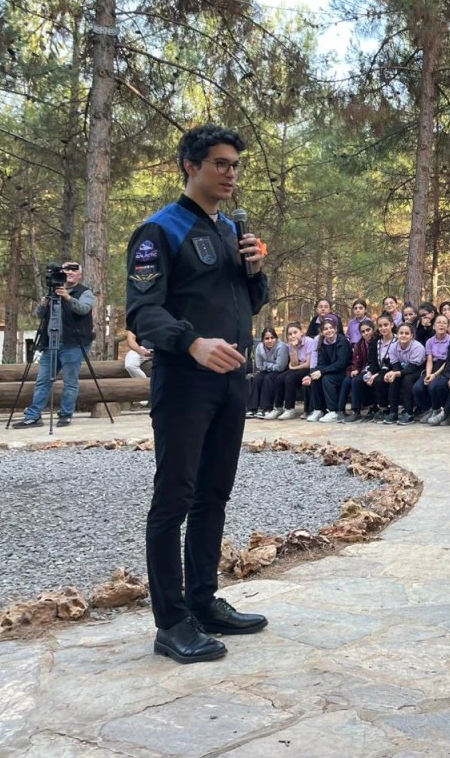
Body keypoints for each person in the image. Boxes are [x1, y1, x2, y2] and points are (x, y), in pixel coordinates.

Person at [124, 124, 270, 664]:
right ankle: (171, 622)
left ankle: (203, 602)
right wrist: (192, 343)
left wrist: (255, 271)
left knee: (214, 494)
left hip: (232, 380)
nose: (230, 173)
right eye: (220, 164)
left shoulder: (230, 229)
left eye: (235, 165)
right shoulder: (160, 230)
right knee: (175, 499)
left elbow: (247, 303)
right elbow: (143, 312)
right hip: (185, 381)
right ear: (190, 165)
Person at [13, 260, 97, 429]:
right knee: (42, 380)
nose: (70, 272)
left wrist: (67, 297)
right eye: (66, 269)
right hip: (50, 343)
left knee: (70, 382)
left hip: (73, 344)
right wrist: (44, 303)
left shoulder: (84, 292)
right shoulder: (52, 292)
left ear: (80, 275)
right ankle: (33, 416)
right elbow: (39, 314)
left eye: (74, 269)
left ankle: (66, 415)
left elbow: (83, 309)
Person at [305, 317, 349, 423]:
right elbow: (321, 363)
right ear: (322, 332)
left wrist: (322, 372)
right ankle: (318, 409)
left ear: (335, 329)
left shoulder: (342, 341)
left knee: (327, 379)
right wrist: (311, 375)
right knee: (315, 378)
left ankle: (333, 411)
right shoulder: (322, 343)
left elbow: (341, 363)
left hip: (342, 372)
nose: (329, 331)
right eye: (325, 329)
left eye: (331, 328)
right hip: (329, 371)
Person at [382, 322, 426, 424]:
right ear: (397, 335)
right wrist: (392, 373)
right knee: (394, 378)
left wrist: (396, 373)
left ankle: (408, 412)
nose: (403, 335)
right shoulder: (393, 346)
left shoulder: (417, 347)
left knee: (407, 379)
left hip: (418, 370)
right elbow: (396, 366)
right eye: (401, 333)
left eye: (407, 333)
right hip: (403, 369)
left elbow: (412, 368)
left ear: (412, 336)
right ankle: (393, 412)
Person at [413, 314, 450, 421]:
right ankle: (429, 409)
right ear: (434, 326)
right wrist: (428, 375)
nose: (441, 325)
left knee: (433, 386)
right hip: (433, 366)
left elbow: (448, 361)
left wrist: (434, 375)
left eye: (444, 323)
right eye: (438, 323)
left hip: (446, 367)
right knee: (417, 388)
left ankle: (438, 410)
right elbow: (429, 360)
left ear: (447, 326)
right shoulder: (430, 341)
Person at [274, 322, 314, 419]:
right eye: (290, 334)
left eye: (295, 332)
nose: (293, 336)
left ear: (301, 332)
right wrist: (294, 348)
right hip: (299, 368)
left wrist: (293, 368)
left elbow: (308, 364)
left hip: (309, 369)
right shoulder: (291, 345)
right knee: (279, 378)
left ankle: (289, 409)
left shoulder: (309, 341)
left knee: (290, 378)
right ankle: (278, 408)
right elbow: (295, 363)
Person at [246, 326, 288, 418]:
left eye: (272, 338)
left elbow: (280, 367)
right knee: (258, 378)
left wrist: (266, 364)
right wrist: (269, 366)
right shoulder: (259, 347)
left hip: (281, 371)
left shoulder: (282, 347)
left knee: (268, 378)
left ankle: (265, 408)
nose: (270, 341)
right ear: (262, 340)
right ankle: (252, 408)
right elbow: (259, 366)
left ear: (276, 338)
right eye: (267, 338)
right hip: (267, 370)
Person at [342, 319, 378, 422]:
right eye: (363, 331)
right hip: (363, 369)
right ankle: (342, 410)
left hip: (376, 369)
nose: (366, 333)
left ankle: (360, 410)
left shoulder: (377, 341)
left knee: (357, 381)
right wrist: (355, 369)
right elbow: (356, 360)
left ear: (373, 329)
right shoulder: (359, 344)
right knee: (348, 379)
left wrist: (368, 371)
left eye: (368, 330)